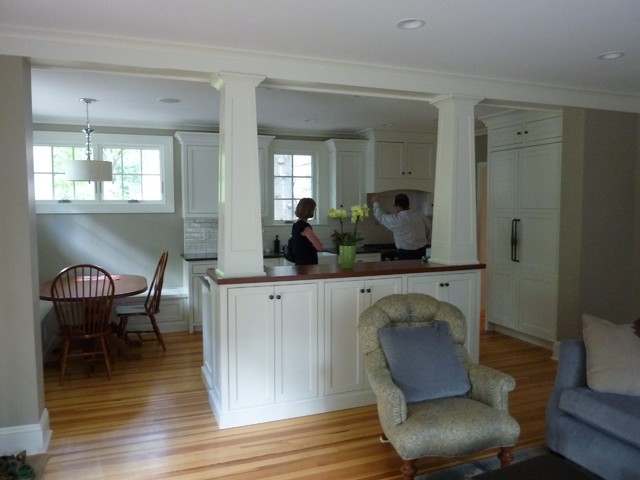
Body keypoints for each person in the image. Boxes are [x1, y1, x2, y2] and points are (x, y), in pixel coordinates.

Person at [371, 193, 431, 260]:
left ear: (398, 206)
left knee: (406, 270)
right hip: (422, 252)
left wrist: (375, 202)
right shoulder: (420, 215)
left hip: (406, 254)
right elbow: (428, 227)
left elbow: (380, 216)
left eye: (395, 206)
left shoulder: (396, 219)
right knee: (420, 270)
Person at [290, 197, 324, 265]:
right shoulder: (305, 227)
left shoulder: (296, 225)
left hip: (299, 264)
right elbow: (319, 247)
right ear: (309, 210)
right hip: (307, 265)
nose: (315, 210)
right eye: (314, 209)